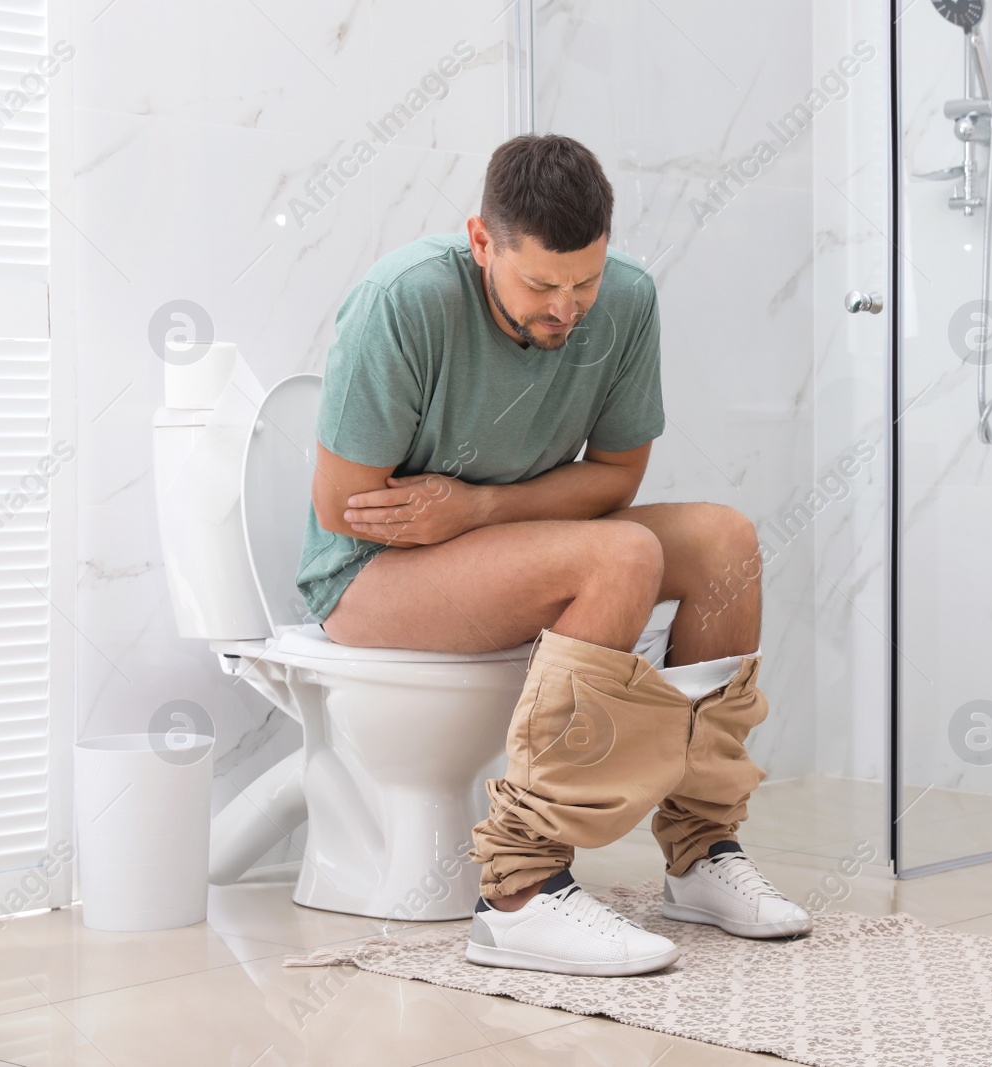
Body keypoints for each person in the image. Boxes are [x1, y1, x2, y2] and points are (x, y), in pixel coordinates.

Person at [294, 133, 811, 976]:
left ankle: (701, 851)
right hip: (367, 574)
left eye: (584, 281)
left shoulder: (628, 301)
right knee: (619, 560)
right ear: (481, 241)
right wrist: (509, 526)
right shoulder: (406, 300)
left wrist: (480, 505)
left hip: (495, 531)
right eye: (540, 284)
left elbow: (615, 475)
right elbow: (341, 506)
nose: (567, 308)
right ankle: (520, 894)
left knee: (726, 541)